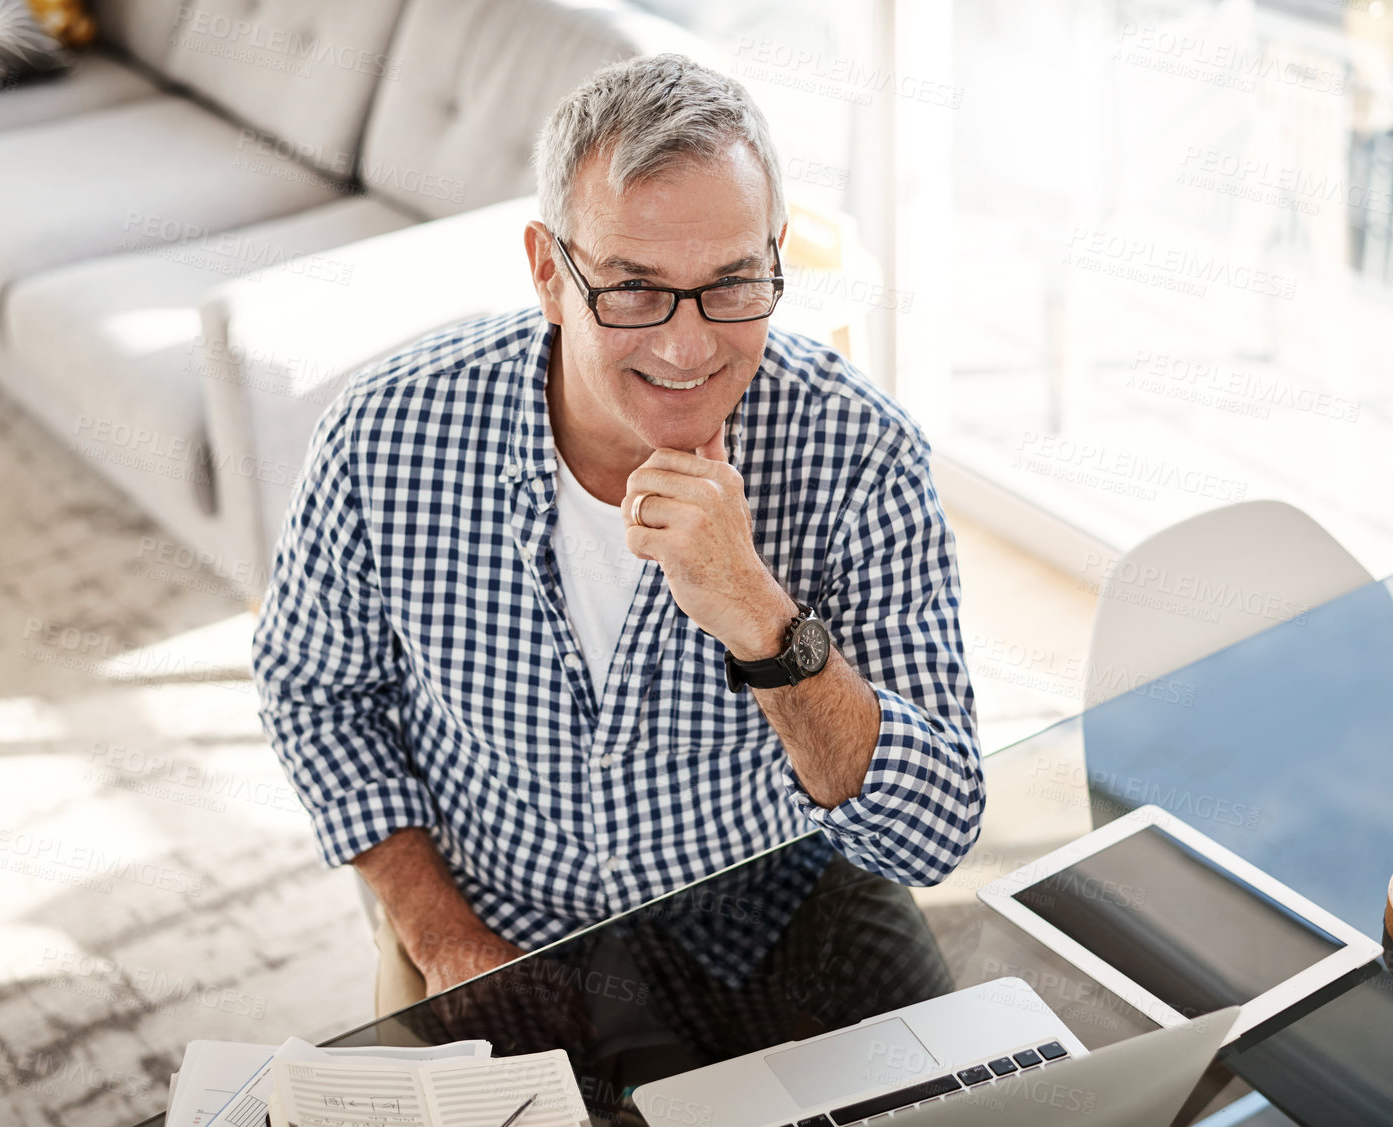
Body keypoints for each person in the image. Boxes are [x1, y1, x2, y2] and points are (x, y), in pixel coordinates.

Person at [252, 52, 984, 1001]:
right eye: (632, 288)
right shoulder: (385, 433)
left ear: (776, 256)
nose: (688, 347)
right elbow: (314, 696)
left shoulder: (863, 454)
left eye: (731, 283)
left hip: (782, 909)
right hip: (498, 926)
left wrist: (759, 617)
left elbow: (928, 833)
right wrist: (441, 935)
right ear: (547, 274)